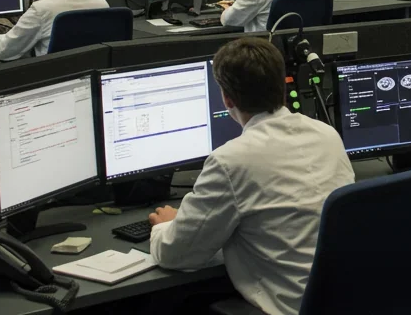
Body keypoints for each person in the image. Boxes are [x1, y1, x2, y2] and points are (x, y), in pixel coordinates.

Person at [148, 38, 353, 315]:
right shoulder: (327, 135)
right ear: (282, 85)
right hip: (347, 300)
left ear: (227, 98)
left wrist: (165, 227)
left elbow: (177, 254)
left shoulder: (230, 161)